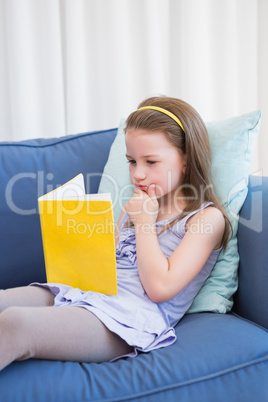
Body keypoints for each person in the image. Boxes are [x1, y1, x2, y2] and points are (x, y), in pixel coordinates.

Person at [0, 96, 231, 371]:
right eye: (132, 162)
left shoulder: (206, 218)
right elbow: (103, 268)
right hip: (88, 295)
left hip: (127, 318)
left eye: (151, 162)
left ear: (186, 159)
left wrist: (144, 222)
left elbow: (160, 289)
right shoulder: (135, 206)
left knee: (15, 323)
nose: (138, 174)